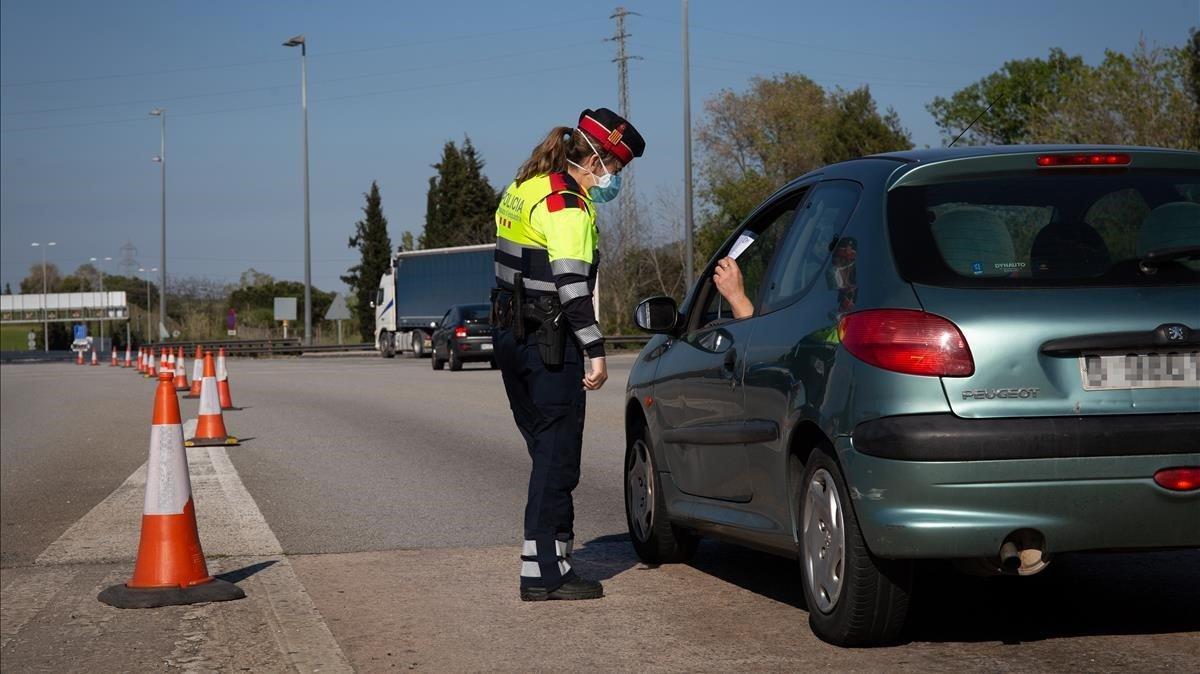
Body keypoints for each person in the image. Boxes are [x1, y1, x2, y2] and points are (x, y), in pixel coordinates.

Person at [491, 108, 645, 601]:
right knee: (557, 458)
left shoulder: (525, 186)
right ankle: (543, 575)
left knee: (545, 451)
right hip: (549, 343)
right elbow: (572, 287)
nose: (613, 180)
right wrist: (595, 351)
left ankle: (557, 553)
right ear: (597, 159)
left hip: (511, 337)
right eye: (615, 169)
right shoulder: (567, 205)